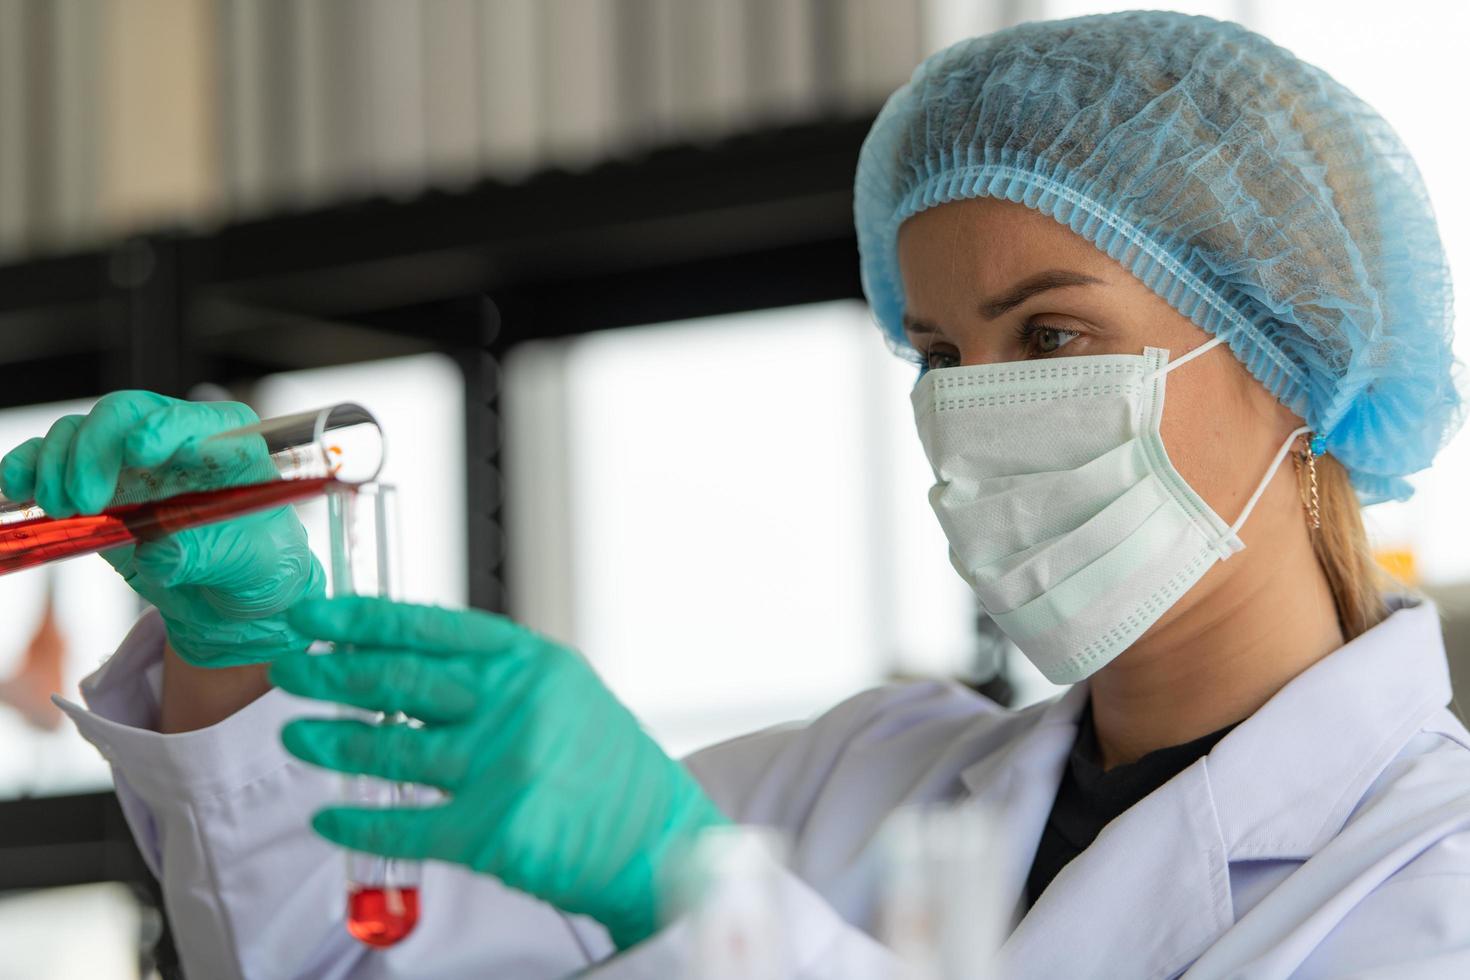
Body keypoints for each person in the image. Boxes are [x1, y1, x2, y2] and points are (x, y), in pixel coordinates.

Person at [7, 10, 1468, 978]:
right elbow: (358, 960)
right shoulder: (857, 779)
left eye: (1052, 335)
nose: (973, 405)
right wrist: (235, 654)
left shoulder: (1429, 879)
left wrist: (702, 904)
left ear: (1293, 349)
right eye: (936, 351)